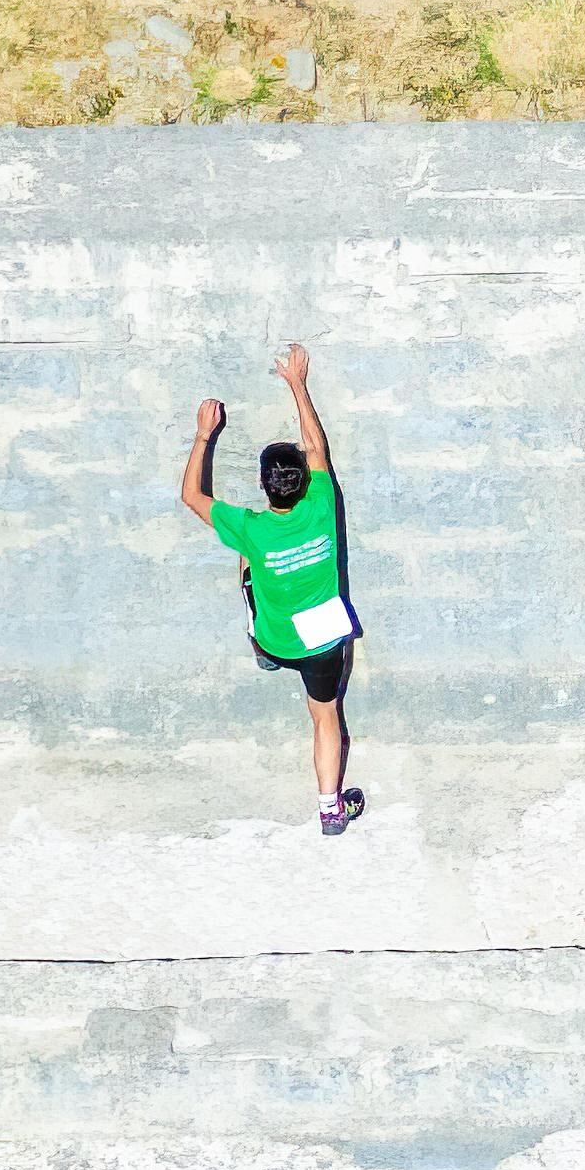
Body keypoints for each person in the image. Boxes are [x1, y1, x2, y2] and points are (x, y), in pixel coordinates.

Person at [182, 341, 361, 834]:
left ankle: (259, 647)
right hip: (320, 644)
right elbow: (317, 447)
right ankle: (331, 810)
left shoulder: (254, 527)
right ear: (305, 481)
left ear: (266, 487)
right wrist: (298, 384)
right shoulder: (322, 504)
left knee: (244, 555)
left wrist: (203, 436)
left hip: (276, 639)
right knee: (325, 717)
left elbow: (192, 496)